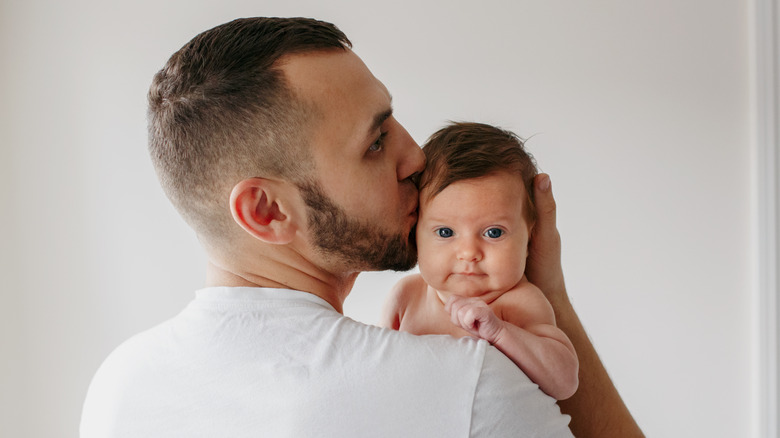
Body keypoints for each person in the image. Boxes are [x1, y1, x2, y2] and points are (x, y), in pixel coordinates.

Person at [80, 17, 644, 437]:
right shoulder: (468, 389)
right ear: (268, 212)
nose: (418, 156)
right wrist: (550, 298)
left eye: (393, 122)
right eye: (375, 142)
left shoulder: (117, 388)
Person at [381, 122, 578, 401]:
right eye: (446, 232)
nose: (468, 253)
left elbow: (564, 381)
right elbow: (377, 372)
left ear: (530, 237)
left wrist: (499, 332)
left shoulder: (520, 303)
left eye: (493, 232)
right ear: (414, 233)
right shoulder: (406, 297)